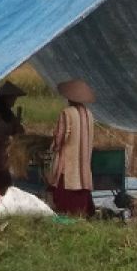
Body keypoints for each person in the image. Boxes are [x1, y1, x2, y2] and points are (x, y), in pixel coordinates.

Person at [49, 79, 96, 217]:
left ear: (69, 97)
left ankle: (66, 213)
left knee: (67, 186)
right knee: (81, 184)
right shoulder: (89, 114)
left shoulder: (67, 113)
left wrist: (53, 147)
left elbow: (60, 136)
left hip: (69, 160)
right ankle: (83, 214)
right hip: (84, 161)